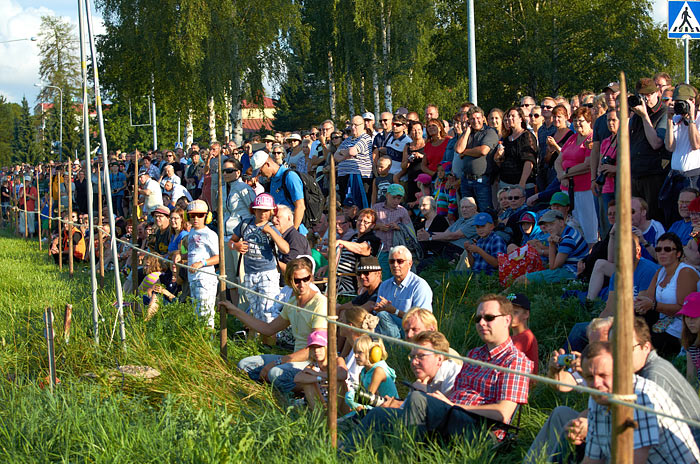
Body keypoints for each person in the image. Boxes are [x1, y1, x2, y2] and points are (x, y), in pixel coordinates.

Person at [346, 294, 532, 448]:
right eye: (478, 318)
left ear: (507, 320)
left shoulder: (516, 361)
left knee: (418, 398)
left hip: (480, 428)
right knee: (378, 414)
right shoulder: (474, 354)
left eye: (489, 318)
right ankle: (342, 454)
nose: (482, 323)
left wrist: (453, 406)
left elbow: (503, 413)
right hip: (451, 416)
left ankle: (405, 454)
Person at [579, 342, 700, 464]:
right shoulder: (598, 397)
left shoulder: (641, 397)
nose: (596, 383)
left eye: (603, 375)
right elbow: (592, 460)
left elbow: (634, 461)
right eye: (590, 377)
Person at [226, 258, 328, 394]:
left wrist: (278, 362)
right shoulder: (292, 302)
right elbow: (269, 329)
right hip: (294, 358)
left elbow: (315, 350)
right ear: (289, 281)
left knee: (275, 373)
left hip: (313, 361)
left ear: (311, 277)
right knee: (245, 365)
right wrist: (235, 311)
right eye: (297, 280)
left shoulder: (320, 303)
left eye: (306, 279)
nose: (302, 284)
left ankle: (306, 391)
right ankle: (280, 387)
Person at [229, 194, 289, 343]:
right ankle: (258, 344)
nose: (263, 213)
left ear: (272, 211)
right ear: (254, 210)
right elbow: (231, 241)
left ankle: (271, 345)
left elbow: (285, 249)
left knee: (268, 312)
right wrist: (236, 246)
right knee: (256, 312)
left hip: (267, 273)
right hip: (250, 273)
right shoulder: (245, 224)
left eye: (266, 210)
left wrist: (271, 232)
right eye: (259, 210)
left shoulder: (272, 228)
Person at [635, 232, 699, 358]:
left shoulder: (685, 272)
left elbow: (683, 309)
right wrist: (640, 304)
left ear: (678, 254)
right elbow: (648, 299)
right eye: (658, 249)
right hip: (662, 323)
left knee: (644, 345)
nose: (662, 253)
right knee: (632, 318)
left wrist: (653, 305)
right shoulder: (660, 272)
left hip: (681, 329)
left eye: (667, 249)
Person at [555, 106, 598, 245]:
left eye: (581, 121)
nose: (577, 124)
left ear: (589, 121)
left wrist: (565, 174)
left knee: (588, 226)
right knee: (570, 226)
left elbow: (587, 164)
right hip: (567, 190)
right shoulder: (572, 138)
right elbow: (558, 160)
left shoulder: (591, 139)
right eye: (575, 121)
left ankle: (591, 253)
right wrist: (561, 175)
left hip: (584, 190)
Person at [630, 78, 669, 222]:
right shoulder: (636, 114)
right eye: (642, 95)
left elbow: (656, 143)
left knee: (652, 216)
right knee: (634, 216)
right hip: (636, 173)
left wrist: (644, 116)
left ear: (657, 93)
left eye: (649, 94)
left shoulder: (664, 112)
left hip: (653, 174)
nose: (646, 98)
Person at [374, 246, 433, 338]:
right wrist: (379, 308)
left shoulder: (419, 286)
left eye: (400, 261)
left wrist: (395, 311)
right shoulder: (384, 285)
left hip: (413, 330)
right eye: (391, 261)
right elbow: (377, 311)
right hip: (387, 327)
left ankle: (395, 346)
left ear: (410, 264)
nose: (395, 265)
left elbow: (423, 319)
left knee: (383, 316)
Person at [517, 209, 588, 284]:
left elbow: (553, 267)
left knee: (522, 280)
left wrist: (551, 244)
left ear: (561, 222)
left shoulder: (568, 238)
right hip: (571, 268)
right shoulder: (568, 231)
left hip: (572, 271)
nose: (549, 228)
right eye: (547, 225)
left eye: (551, 224)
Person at [249, 150, 308, 236]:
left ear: (267, 164)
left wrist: (292, 233)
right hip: (280, 233)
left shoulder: (290, 176)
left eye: (260, 172)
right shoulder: (272, 180)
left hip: (295, 232)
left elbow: (300, 206)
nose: (261, 175)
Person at [455, 106, 499, 211]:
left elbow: (483, 150)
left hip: (482, 180)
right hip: (466, 179)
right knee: (467, 211)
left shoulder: (489, 132)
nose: (476, 121)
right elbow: (458, 149)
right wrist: (467, 132)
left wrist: (465, 152)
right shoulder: (467, 133)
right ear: (469, 121)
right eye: (472, 119)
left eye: (478, 118)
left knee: (485, 211)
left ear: (483, 118)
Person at [184, 200, 219, 328]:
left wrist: (201, 263)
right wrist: (180, 256)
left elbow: (219, 257)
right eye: (192, 215)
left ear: (207, 216)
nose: (196, 218)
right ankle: (200, 338)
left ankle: (209, 338)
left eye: (200, 215)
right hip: (193, 278)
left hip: (205, 279)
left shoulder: (210, 234)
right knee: (197, 314)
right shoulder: (191, 233)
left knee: (205, 314)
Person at [293, 330, 348, 410]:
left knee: (337, 380)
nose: (316, 351)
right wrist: (319, 378)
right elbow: (297, 378)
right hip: (322, 402)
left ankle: (334, 414)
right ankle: (320, 414)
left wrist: (318, 374)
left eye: (319, 347)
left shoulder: (337, 360)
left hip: (340, 405)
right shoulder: (312, 366)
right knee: (307, 384)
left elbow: (343, 374)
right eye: (313, 348)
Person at [418, 197, 479, 266]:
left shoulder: (475, 221)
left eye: (467, 207)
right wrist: (427, 235)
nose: (464, 210)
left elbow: (455, 235)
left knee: (424, 265)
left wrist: (430, 236)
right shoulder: (462, 219)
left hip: (458, 251)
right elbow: (446, 234)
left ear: (475, 208)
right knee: (423, 262)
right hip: (447, 249)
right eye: (462, 207)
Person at [346, 335, 399, 412]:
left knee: (350, 396)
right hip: (375, 406)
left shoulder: (379, 370)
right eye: (355, 352)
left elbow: (367, 398)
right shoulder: (363, 371)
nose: (355, 356)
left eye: (360, 352)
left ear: (373, 353)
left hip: (389, 410)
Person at [373, 184, 413, 278]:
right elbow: (367, 225)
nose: (396, 201)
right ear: (387, 195)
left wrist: (398, 227)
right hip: (380, 249)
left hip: (397, 249)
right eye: (393, 198)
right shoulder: (376, 208)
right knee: (382, 276)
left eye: (399, 198)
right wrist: (378, 226)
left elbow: (410, 229)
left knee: (397, 275)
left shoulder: (402, 211)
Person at [496, 107, 537, 195]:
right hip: (505, 183)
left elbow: (529, 161)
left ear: (521, 119)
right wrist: (499, 156)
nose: (510, 118)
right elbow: (501, 162)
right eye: (508, 116)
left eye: (513, 116)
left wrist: (522, 183)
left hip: (523, 184)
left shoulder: (527, 136)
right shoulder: (506, 139)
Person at [666, 83, 700, 188]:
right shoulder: (676, 119)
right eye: (677, 102)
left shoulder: (699, 119)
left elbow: (696, 145)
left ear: (692, 101)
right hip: (676, 174)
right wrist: (669, 119)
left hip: (693, 175)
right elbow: (670, 147)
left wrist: (691, 118)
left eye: (682, 102)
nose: (680, 105)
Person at [334, 115, 373, 205]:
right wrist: (346, 155)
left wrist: (343, 152)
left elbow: (352, 151)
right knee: (346, 205)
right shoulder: (347, 140)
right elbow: (336, 156)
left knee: (359, 205)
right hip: (344, 176)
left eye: (356, 125)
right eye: (351, 125)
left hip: (358, 176)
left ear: (362, 125)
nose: (353, 127)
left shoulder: (365, 138)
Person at [273, 204, 311, 275]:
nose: (274, 220)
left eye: (277, 217)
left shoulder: (295, 238)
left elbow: (292, 270)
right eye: (272, 217)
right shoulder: (282, 237)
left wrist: (269, 261)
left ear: (289, 218)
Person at [508, 293, 539, 373]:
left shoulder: (526, 336)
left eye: (515, 312)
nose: (509, 316)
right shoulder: (512, 337)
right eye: (506, 312)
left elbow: (505, 358)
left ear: (526, 314)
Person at [631, 196, 665, 262]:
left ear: (643, 212)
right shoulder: (626, 230)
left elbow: (662, 257)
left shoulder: (656, 227)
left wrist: (644, 242)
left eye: (632, 211)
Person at [680, 292, 700, 388]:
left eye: (694, 317)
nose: (690, 321)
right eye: (687, 317)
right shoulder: (691, 343)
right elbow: (691, 378)